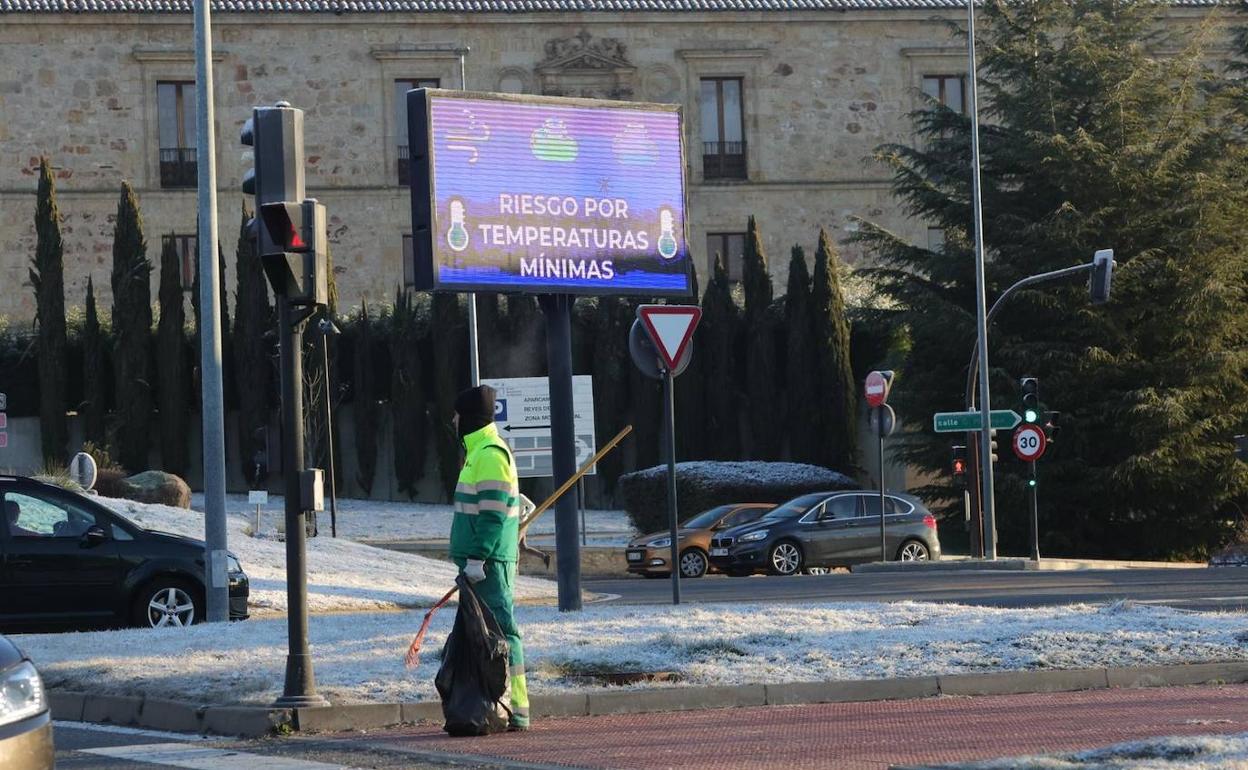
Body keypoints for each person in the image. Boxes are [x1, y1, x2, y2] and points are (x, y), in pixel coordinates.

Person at [449, 385, 530, 732]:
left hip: (489, 563)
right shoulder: (480, 452)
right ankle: (490, 705)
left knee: (502, 633)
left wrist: (478, 558)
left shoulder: (489, 453)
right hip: (483, 561)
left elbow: (493, 514)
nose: (452, 421)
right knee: (486, 636)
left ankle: (516, 709)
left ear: (468, 418)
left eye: (455, 415)